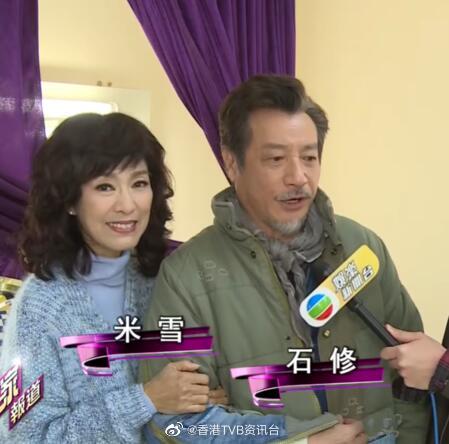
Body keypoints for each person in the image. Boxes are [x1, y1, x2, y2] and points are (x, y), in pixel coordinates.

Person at [140, 75, 429, 443]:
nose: (298, 177)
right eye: (276, 159)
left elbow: (413, 379)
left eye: (309, 157)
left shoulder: (361, 247)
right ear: (232, 163)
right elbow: (174, 425)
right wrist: (302, 440)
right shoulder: (187, 276)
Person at [0, 113, 227, 443]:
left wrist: (204, 403)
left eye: (139, 183)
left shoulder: (165, 280)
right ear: (69, 199)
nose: (127, 205)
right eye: (105, 186)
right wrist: (145, 400)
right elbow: (24, 438)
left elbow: (196, 394)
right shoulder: (38, 309)